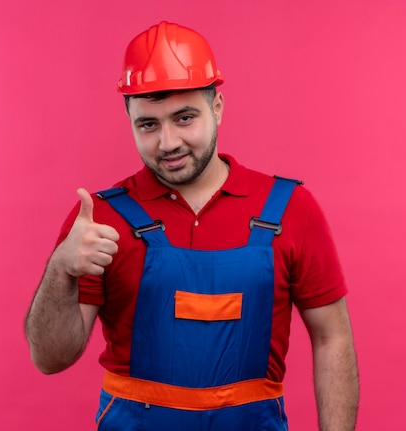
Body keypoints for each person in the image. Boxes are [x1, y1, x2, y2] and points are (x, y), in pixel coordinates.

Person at [25, 21, 359, 430]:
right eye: (148, 124)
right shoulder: (98, 219)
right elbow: (50, 359)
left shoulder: (291, 209)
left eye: (184, 118)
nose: (167, 143)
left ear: (217, 106)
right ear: (128, 118)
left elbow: (332, 339)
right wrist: (61, 269)